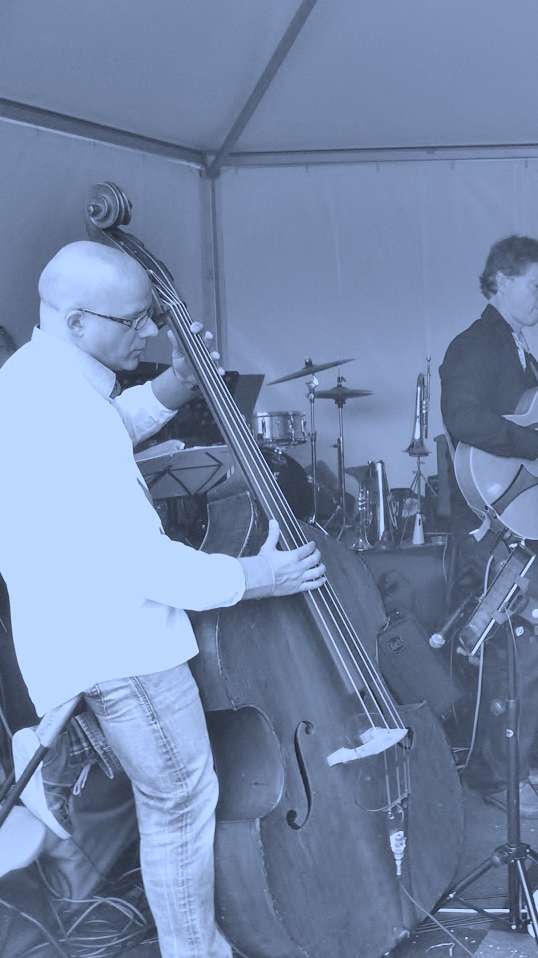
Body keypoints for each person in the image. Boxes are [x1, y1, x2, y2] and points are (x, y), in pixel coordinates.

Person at [0, 241, 326, 958]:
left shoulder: (30, 378)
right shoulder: (66, 410)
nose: (148, 333)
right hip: (123, 647)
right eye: (133, 321)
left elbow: (106, 427)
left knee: (172, 800)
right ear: (79, 321)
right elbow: (146, 564)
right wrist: (260, 575)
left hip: (72, 640)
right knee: (180, 803)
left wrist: (176, 385)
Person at [439, 235, 538, 819]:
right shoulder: (476, 346)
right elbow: (463, 418)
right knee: (519, 647)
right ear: (500, 280)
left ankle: (506, 761)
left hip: (515, 521)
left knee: (523, 645)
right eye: (536, 284)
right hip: (492, 525)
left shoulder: (523, 355)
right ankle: (502, 777)